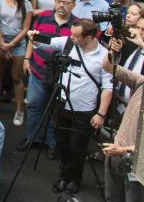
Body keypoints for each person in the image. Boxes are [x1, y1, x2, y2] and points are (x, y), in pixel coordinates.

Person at [43, 19, 113, 195]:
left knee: (78, 148)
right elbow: (47, 42)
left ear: (89, 36)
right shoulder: (68, 43)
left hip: (84, 110)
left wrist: (101, 114)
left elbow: (108, 88)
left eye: (76, 35)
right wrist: (34, 36)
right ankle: (63, 176)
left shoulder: (104, 56)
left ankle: (75, 179)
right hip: (62, 103)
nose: (71, 37)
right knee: (62, 144)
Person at [101, 45, 144, 202]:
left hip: (139, 166)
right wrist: (113, 50)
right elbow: (108, 66)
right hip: (114, 154)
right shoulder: (142, 82)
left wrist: (124, 149)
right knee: (111, 198)